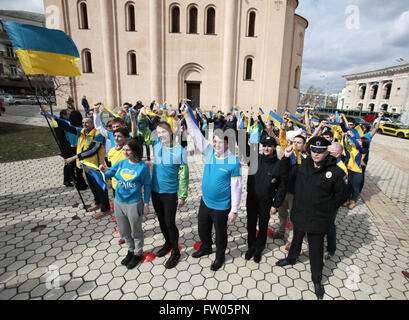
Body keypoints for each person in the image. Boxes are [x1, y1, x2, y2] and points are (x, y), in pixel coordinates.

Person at [276, 136, 349, 300]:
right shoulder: (303, 165)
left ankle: (317, 279)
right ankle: (292, 258)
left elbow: (343, 195)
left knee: (316, 250)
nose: (316, 154)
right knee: (296, 239)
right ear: (310, 150)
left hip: (318, 218)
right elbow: (285, 175)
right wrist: (286, 159)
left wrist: (327, 208)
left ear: (326, 151)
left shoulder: (335, 171)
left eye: (320, 151)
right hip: (301, 213)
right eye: (313, 150)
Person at [181, 104, 242, 271]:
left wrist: (234, 210)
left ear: (228, 143)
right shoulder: (208, 151)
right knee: (202, 227)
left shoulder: (233, 162)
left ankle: (220, 256)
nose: (216, 144)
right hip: (205, 201)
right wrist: (187, 115)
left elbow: (236, 188)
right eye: (214, 141)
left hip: (222, 206)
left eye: (220, 142)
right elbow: (194, 132)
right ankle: (206, 246)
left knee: (220, 234)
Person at [46, 113, 111, 219]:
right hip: (86, 166)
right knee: (92, 186)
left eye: (87, 123)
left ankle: (105, 208)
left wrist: (74, 157)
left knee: (100, 187)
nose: (84, 125)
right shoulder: (81, 131)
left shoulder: (98, 134)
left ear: (93, 124)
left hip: (96, 167)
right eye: (83, 123)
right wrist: (51, 118)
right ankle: (98, 203)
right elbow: (67, 126)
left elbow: (92, 150)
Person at [99, 139, 151, 269]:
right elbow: (109, 173)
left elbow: (147, 186)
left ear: (134, 151)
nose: (124, 152)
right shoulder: (121, 163)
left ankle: (138, 253)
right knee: (124, 230)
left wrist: (146, 204)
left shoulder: (142, 166)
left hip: (134, 203)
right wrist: (102, 169)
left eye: (127, 150)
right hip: (119, 202)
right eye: (124, 149)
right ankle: (130, 250)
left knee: (136, 230)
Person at [149, 119, 189, 269]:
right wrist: (138, 117)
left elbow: (184, 174)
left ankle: (175, 251)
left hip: (170, 193)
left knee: (170, 223)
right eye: (158, 133)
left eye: (163, 132)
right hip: (155, 191)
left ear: (171, 132)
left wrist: (182, 195)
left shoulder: (180, 151)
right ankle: (167, 243)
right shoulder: (157, 144)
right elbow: (143, 133)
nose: (160, 135)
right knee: (161, 220)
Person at [246, 135, 286, 263]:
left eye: (269, 146)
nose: (266, 148)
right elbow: (243, 149)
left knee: (263, 225)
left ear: (274, 147)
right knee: (251, 224)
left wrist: (276, 205)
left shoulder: (279, 165)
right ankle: (251, 246)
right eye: (264, 145)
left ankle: (259, 248)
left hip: (266, 201)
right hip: (251, 199)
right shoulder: (254, 158)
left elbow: (281, 187)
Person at [325, 142, 348, 260]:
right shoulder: (329, 162)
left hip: (331, 203)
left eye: (330, 152)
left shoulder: (342, 169)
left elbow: (342, 193)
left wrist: (332, 204)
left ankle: (331, 249)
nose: (327, 154)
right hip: (323, 200)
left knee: (329, 225)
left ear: (338, 154)